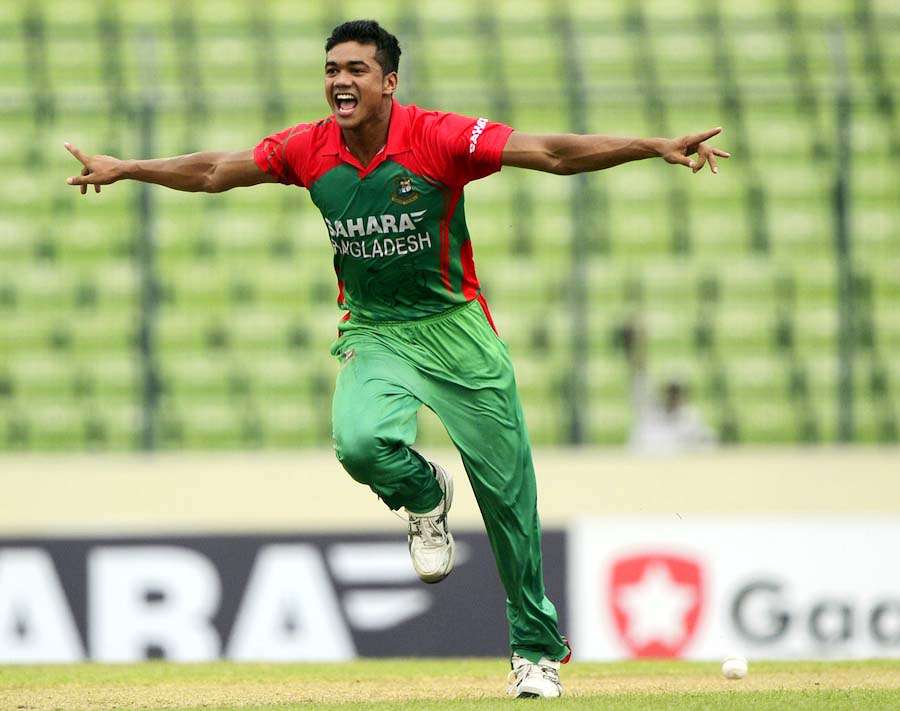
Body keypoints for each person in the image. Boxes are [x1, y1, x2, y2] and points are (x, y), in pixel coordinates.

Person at [65, 19, 729, 698]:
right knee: (359, 443)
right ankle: (423, 492)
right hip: (376, 329)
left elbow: (552, 153)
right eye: (331, 69)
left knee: (508, 499)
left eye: (355, 69)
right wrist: (128, 168)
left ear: (388, 82)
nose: (339, 81)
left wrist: (651, 145)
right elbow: (213, 170)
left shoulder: (439, 137)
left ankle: (535, 651)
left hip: (456, 328)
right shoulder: (308, 148)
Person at [621, 320, 718, 454]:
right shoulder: (648, 408)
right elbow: (639, 373)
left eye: (677, 392)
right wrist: (640, 343)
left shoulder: (690, 417)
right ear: (664, 390)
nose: (673, 396)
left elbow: (709, 442)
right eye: (671, 391)